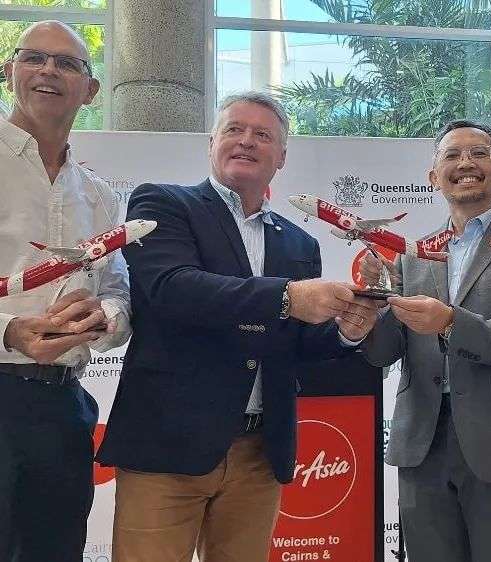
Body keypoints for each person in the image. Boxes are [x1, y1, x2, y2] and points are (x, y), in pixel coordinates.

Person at [96, 91, 378, 562]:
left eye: (262, 135)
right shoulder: (162, 204)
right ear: (212, 142)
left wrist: (350, 328)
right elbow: (172, 289)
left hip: (258, 454)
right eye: (234, 130)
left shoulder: (300, 242)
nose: (246, 141)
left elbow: (298, 343)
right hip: (168, 448)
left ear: (282, 156)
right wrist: (287, 297)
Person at [360, 120, 491, 562]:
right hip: (422, 441)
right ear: (433, 177)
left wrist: (450, 320)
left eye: (479, 153)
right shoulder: (412, 254)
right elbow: (383, 353)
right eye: (452, 155)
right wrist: (369, 310)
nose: (466, 163)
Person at [0, 21, 131, 562]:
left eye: (67, 63)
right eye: (34, 57)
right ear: (11, 73)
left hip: (64, 406)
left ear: (91, 89)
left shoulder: (100, 196)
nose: (49, 70)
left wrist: (101, 317)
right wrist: (9, 330)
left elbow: (120, 295)